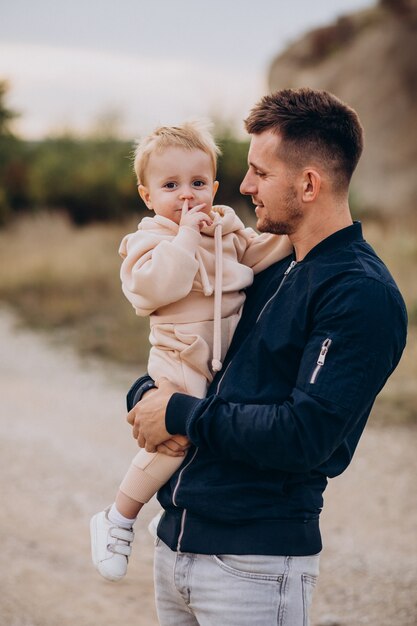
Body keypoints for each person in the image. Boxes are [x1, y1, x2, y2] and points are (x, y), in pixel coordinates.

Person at [126, 88, 407, 626]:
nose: (243, 185)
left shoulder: (359, 294)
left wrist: (178, 414)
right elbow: (201, 363)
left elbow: (305, 435)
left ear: (308, 184)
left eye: (260, 172)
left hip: (253, 566)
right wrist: (145, 395)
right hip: (176, 546)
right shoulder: (266, 266)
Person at [89, 121, 292, 581]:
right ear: (147, 196)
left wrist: (297, 238)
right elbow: (156, 288)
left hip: (225, 356)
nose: (187, 196)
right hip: (180, 353)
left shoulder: (224, 228)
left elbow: (255, 255)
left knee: (218, 433)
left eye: (198, 184)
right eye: (171, 185)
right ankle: (118, 517)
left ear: (215, 187)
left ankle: (179, 506)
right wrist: (184, 236)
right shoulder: (150, 241)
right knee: (175, 437)